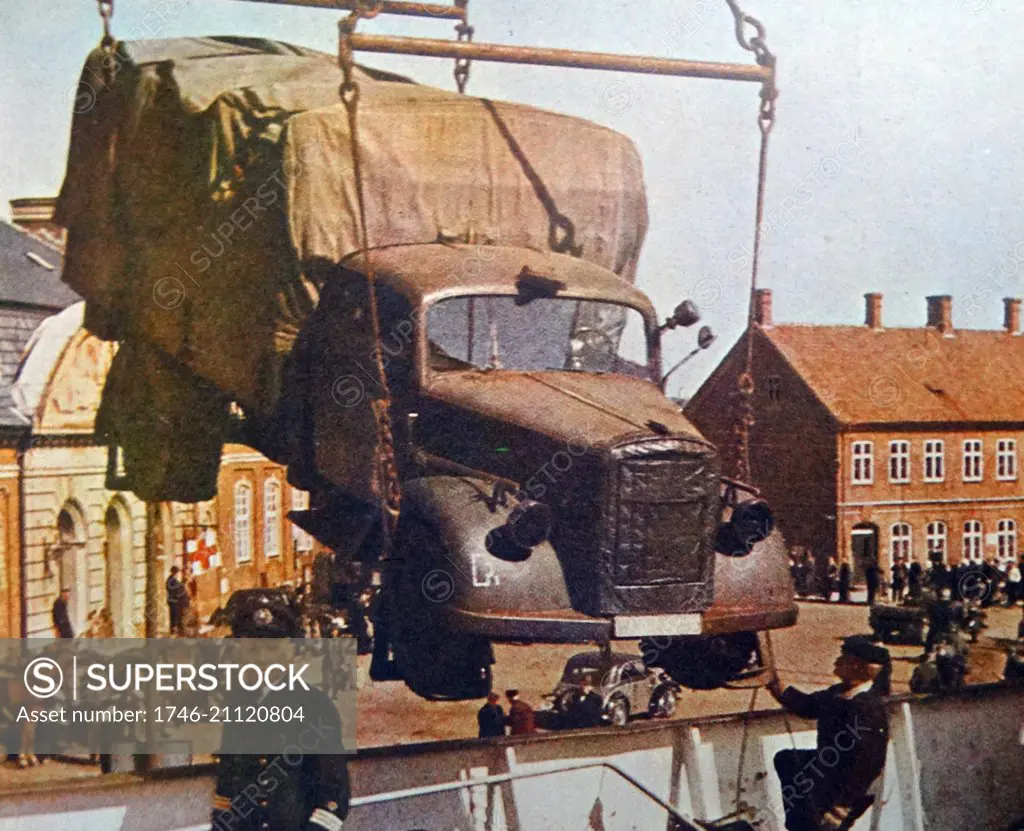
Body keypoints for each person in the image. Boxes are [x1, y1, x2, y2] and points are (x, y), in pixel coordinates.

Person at [211, 588, 350, 831]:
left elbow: (333, 797)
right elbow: (227, 790)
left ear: (291, 651)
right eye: (253, 650)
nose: (263, 659)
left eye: (272, 649)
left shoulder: (315, 706)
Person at [767, 636, 890, 831]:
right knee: (787, 760)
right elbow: (807, 706)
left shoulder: (868, 707)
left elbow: (870, 763)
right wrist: (774, 685)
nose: (837, 662)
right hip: (828, 772)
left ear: (858, 666)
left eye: (844, 658)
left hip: (849, 788)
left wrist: (843, 807)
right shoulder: (838, 693)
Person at [166, 566, 188, 636]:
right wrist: (184, 583)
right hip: (174, 601)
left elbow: (178, 587)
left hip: (174, 601)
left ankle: (175, 631)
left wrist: (183, 583)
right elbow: (177, 590)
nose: (177, 574)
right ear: (174, 572)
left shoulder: (172, 579)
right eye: (177, 572)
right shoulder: (171, 580)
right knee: (174, 617)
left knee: (175, 617)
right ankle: (174, 632)